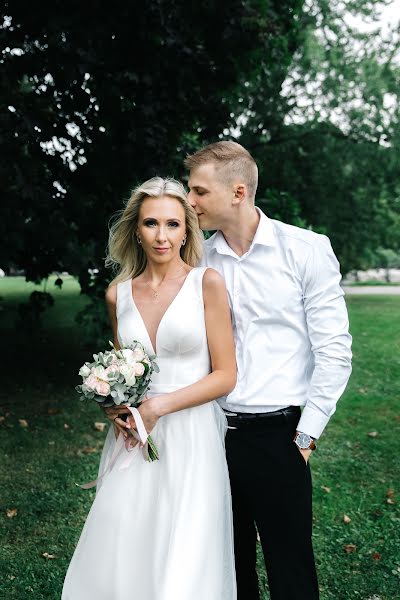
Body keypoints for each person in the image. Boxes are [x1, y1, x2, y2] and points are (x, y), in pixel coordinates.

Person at [185, 141, 353, 600]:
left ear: (238, 192)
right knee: (226, 565)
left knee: (290, 567)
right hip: (212, 432)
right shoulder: (197, 260)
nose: (190, 202)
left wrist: (306, 436)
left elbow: (335, 350)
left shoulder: (306, 250)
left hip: (281, 435)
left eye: (198, 191)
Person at [62, 177, 237, 600]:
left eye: (173, 224)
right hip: (136, 437)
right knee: (126, 538)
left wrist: (160, 405)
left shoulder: (206, 283)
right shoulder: (117, 294)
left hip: (191, 432)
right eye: (151, 223)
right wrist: (113, 405)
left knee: (187, 551)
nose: (162, 236)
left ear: (187, 230)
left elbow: (226, 375)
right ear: (135, 229)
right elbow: (125, 372)